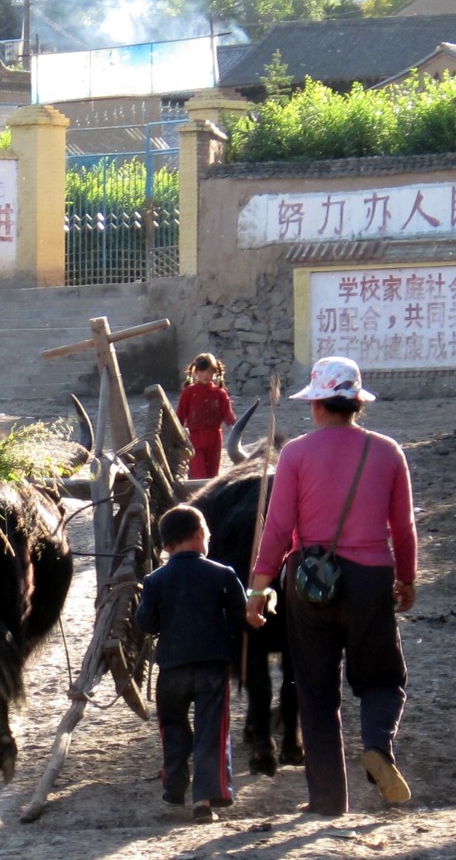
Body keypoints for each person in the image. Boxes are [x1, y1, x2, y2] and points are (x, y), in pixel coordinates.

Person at [246, 356, 417, 817]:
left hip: (307, 583)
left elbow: (278, 530)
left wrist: (258, 591)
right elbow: (402, 529)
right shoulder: (387, 452)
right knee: (382, 679)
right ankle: (378, 746)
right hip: (370, 579)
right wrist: (407, 579)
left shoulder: (297, 454)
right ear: (357, 404)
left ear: (318, 404)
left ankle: (327, 800)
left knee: (316, 690)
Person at [136, 504, 246, 824]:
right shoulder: (223, 575)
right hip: (212, 667)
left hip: (171, 668)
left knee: (172, 727)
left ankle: (174, 785)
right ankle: (204, 798)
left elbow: (147, 624)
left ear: (166, 546)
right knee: (211, 730)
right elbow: (242, 618)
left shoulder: (154, 580)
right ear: (201, 535)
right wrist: (258, 609)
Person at [176, 353, 238, 478]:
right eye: (202, 370)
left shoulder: (220, 394)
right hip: (195, 438)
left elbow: (228, 415)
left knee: (212, 475)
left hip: (215, 438)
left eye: (210, 371)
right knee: (198, 474)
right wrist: (177, 437)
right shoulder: (189, 392)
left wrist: (234, 427)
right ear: (195, 372)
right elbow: (180, 416)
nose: (206, 375)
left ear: (215, 373)